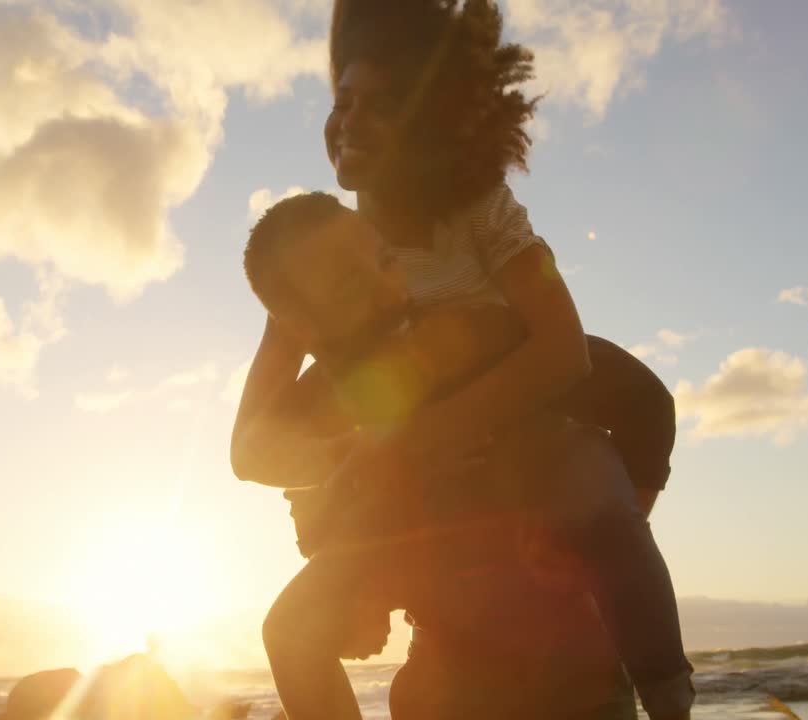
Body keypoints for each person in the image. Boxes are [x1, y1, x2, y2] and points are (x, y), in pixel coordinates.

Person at [231, 1, 692, 717]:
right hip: (419, 530)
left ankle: (659, 680)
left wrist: (584, 551)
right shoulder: (318, 255)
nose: (350, 121)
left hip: (530, 478)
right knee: (291, 632)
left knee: (602, 506)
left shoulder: (480, 211)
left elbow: (568, 353)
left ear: (430, 124)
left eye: (381, 106)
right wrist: (352, 469)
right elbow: (254, 449)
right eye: (343, 101)